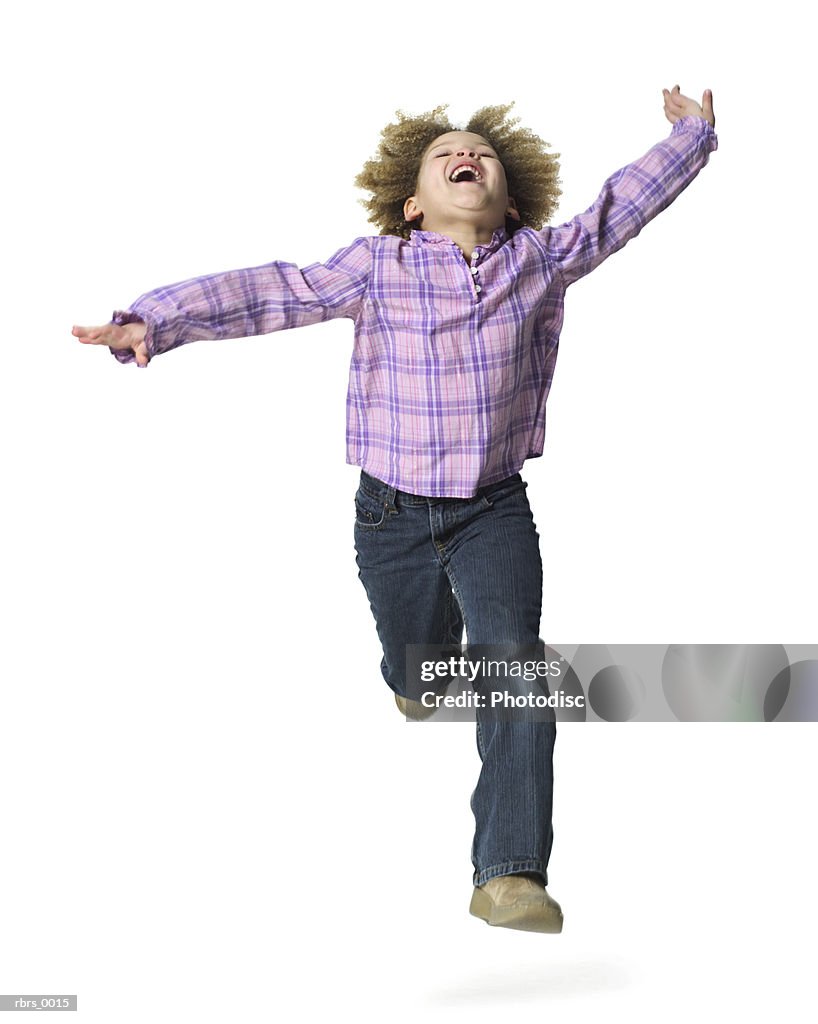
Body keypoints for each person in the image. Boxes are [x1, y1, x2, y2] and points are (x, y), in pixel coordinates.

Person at [72, 85, 718, 933]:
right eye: (450, 154)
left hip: (494, 512)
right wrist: (153, 320)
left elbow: (617, 211)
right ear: (413, 203)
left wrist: (692, 135)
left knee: (515, 664)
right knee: (418, 664)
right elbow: (273, 290)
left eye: (484, 155)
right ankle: (416, 679)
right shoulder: (381, 267)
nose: (470, 157)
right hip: (392, 515)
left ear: (509, 197)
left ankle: (510, 873)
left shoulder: (541, 258)